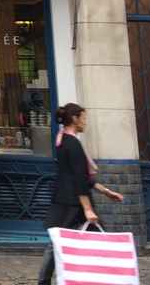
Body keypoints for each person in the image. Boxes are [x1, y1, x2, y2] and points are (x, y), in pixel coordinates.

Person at [38, 103, 125, 285]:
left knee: (56, 243)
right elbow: (79, 178)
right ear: (75, 119)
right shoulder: (73, 144)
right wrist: (87, 209)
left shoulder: (62, 139)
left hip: (64, 200)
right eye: (83, 118)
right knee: (96, 240)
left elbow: (79, 176)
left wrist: (106, 191)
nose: (85, 122)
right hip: (74, 203)